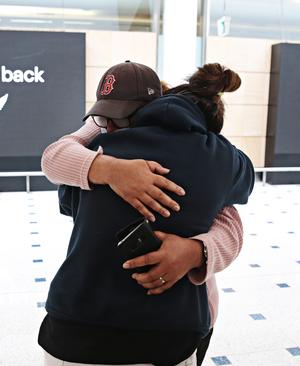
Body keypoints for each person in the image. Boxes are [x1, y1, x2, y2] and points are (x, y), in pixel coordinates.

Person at [39, 61, 254, 365]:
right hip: (173, 333)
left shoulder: (97, 148)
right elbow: (234, 211)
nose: (109, 126)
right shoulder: (223, 156)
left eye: (117, 117)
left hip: (74, 329)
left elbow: (59, 171)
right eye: (103, 118)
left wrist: (100, 151)